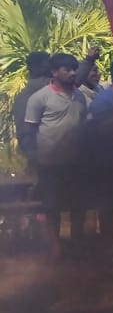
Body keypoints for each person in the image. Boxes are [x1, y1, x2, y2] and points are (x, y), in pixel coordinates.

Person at [21, 52, 89, 259]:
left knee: (78, 205)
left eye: (74, 69)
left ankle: (77, 241)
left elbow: (83, 124)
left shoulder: (80, 96)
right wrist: (36, 157)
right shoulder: (39, 97)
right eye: (67, 69)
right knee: (52, 207)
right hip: (50, 163)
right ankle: (56, 245)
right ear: (54, 72)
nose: (72, 73)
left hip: (75, 163)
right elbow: (28, 131)